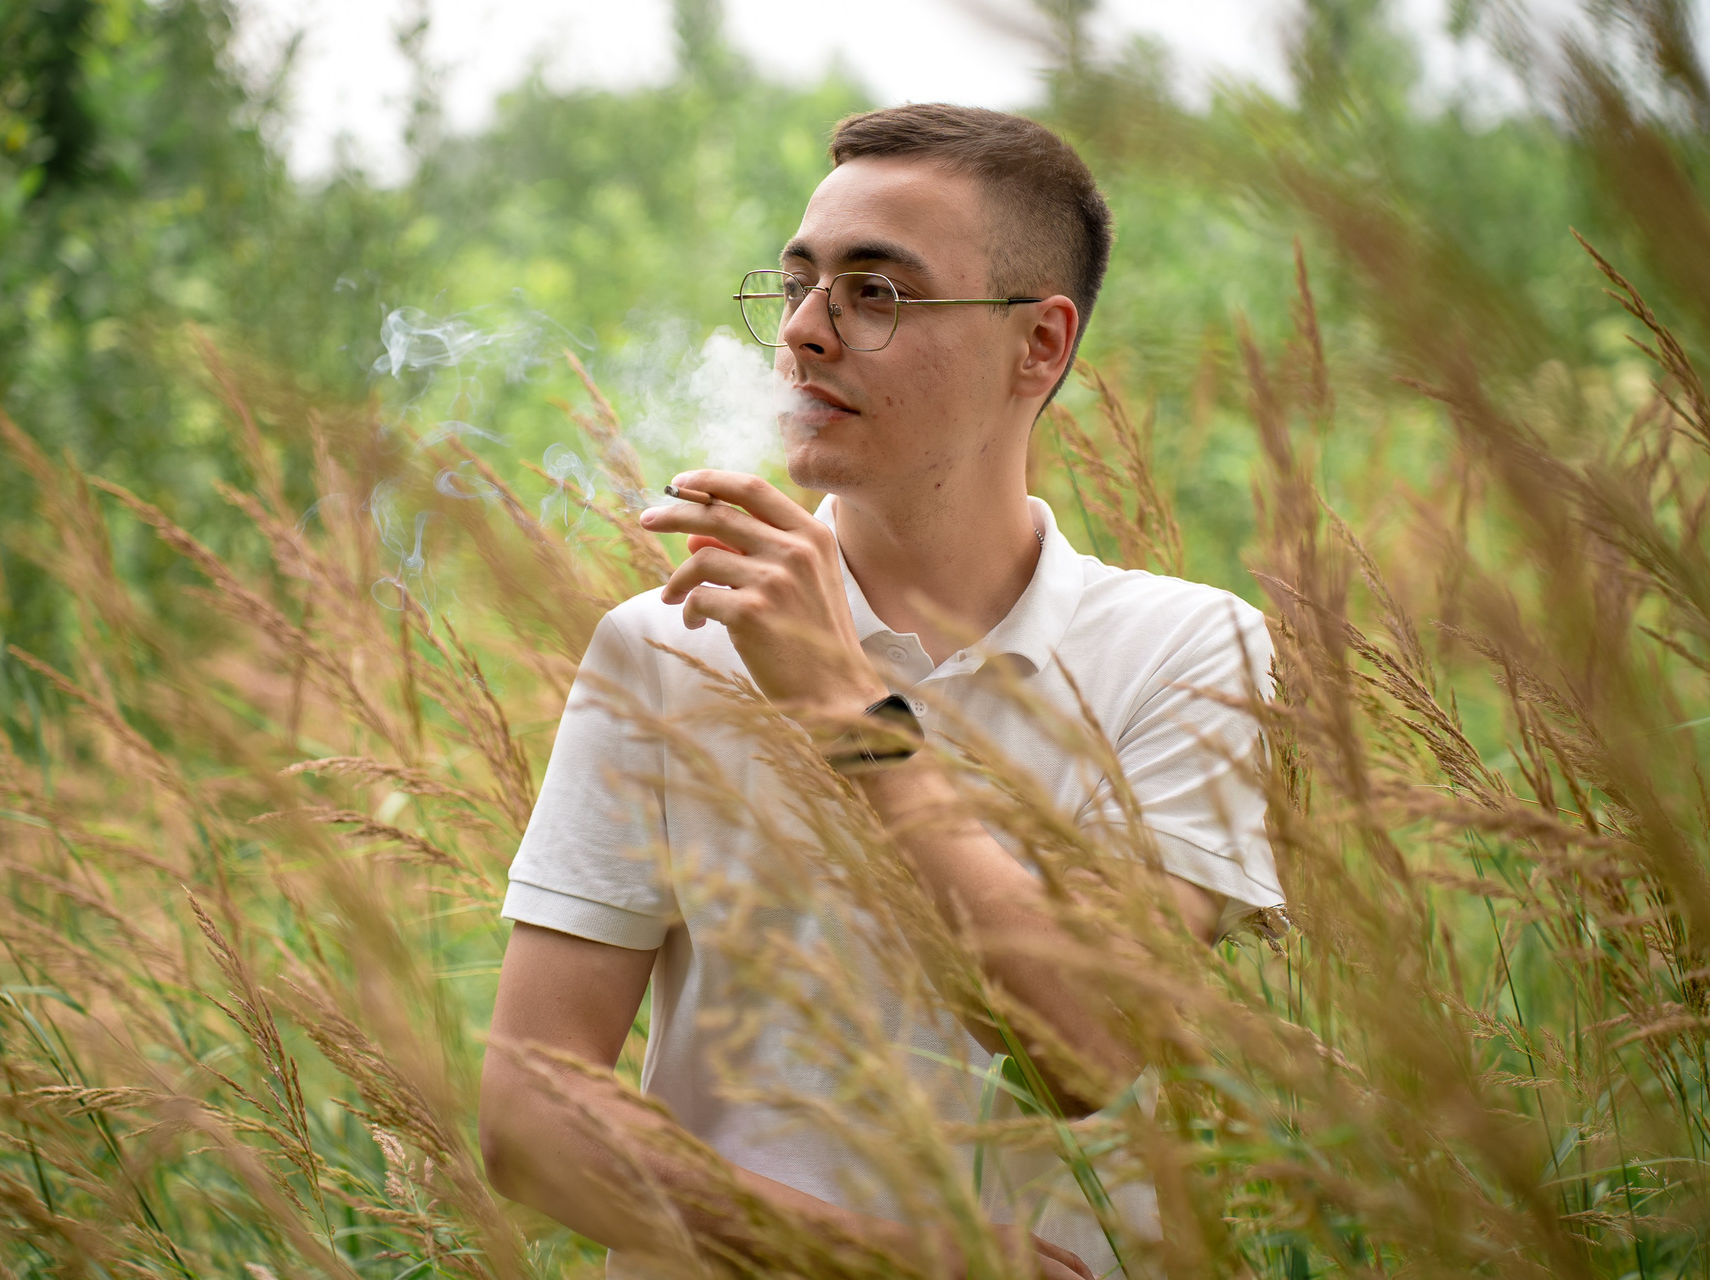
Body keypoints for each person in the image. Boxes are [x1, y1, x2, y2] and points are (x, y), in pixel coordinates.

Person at [478, 103, 1284, 1279]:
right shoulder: (664, 645)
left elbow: (1094, 1046)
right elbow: (530, 1119)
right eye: (796, 285)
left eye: (876, 293)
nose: (804, 331)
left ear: (1038, 345)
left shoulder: (1190, 649)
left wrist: (850, 713)